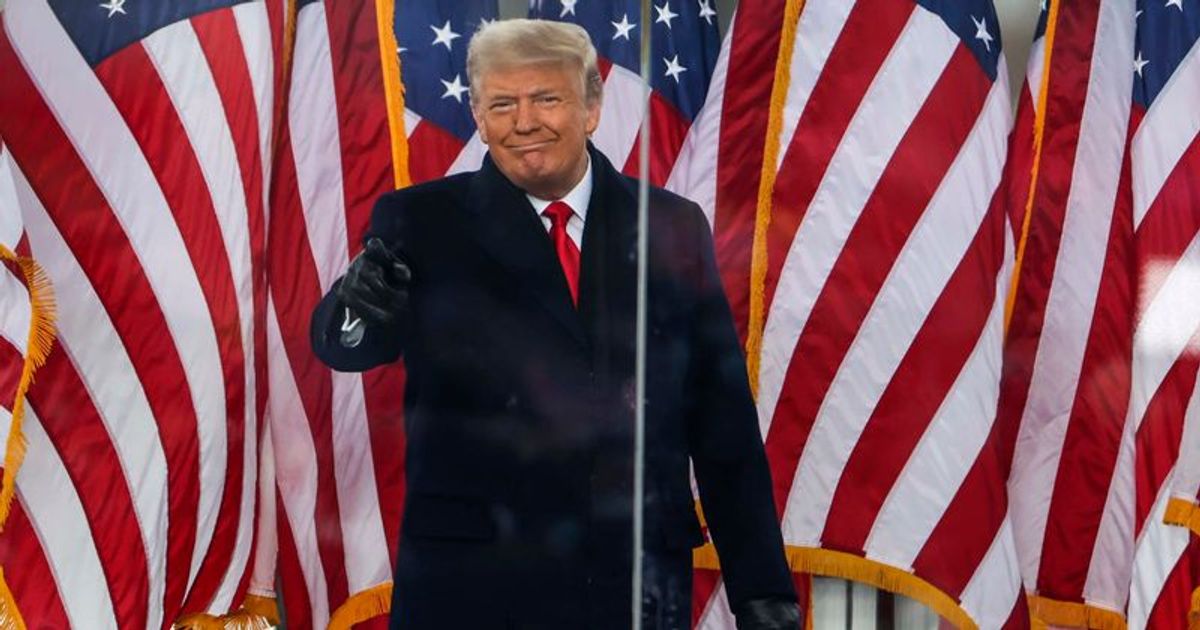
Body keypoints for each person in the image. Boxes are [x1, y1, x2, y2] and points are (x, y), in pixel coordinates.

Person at [310, 18, 798, 630]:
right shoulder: (420, 221)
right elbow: (348, 346)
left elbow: (722, 422)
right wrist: (354, 311)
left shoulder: (672, 227)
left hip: (634, 583)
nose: (524, 121)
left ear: (591, 107)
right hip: (473, 588)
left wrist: (762, 591)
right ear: (481, 119)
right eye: (502, 104)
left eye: (546, 98)